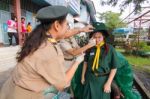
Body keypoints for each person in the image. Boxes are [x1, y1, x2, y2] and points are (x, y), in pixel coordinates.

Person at [0, 6, 84, 99]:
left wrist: (81, 30)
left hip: (11, 88)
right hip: (25, 95)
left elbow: (64, 35)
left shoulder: (38, 38)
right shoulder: (48, 50)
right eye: (66, 24)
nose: (67, 28)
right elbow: (62, 84)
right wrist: (77, 62)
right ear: (57, 25)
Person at [81, 22, 119, 99]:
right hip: (90, 78)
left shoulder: (110, 49)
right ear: (92, 37)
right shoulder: (90, 47)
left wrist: (108, 83)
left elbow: (114, 67)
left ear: (103, 37)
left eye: (99, 37)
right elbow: (85, 62)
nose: (97, 39)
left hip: (103, 80)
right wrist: (82, 76)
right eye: (95, 37)